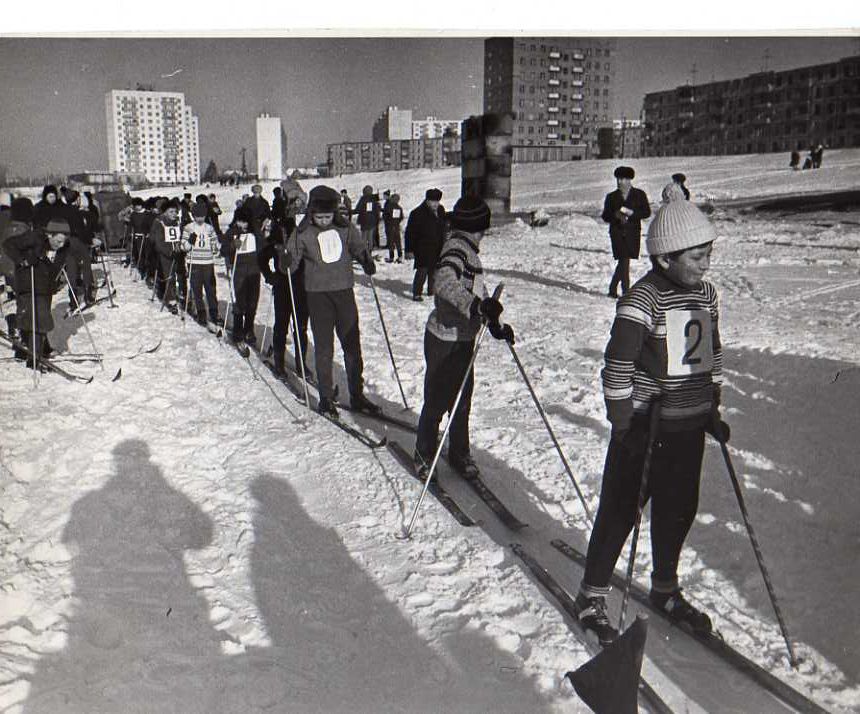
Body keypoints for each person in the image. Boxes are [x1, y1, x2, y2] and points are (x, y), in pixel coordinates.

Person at [575, 188, 726, 646]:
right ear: (664, 259)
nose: (705, 265)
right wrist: (623, 421)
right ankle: (591, 594)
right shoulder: (643, 299)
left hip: (688, 424)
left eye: (708, 254)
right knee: (621, 510)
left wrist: (712, 406)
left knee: (679, 509)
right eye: (696, 257)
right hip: (645, 425)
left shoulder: (706, 295)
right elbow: (617, 365)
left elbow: (710, 353)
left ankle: (665, 587)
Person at [414, 195, 514, 479]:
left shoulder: (469, 252)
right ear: (474, 228)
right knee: (437, 399)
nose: (483, 235)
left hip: (463, 339)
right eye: (482, 229)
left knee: (461, 400)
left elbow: (476, 292)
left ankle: (458, 452)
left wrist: (494, 321)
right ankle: (423, 454)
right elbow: (444, 282)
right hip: (444, 339)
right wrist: (476, 306)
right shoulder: (456, 249)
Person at [278, 185, 379, 417]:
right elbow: (292, 261)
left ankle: (357, 394)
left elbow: (357, 247)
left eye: (328, 216)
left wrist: (365, 259)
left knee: (352, 345)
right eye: (319, 217)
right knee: (324, 348)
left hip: (344, 292)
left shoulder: (345, 228)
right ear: (311, 213)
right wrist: (286, 262)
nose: (324, 221)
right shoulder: (302, 232)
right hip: (318, 296)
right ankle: (325, 397)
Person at [2, 205, 70, 366]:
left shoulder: (63, 247)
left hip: (46, 286)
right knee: (38, 319)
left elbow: (59, 262)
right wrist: (23, 260)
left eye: (64, 241)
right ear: (49, 234)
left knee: (34, 318)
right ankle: (34, 359)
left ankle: (25, 351)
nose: (61, 245)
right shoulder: (34, 237)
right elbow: (8, 244)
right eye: (58, 241)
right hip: (29, 282)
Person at [258, 217, 309, 377]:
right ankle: (279, 363)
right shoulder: (275, 240)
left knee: (301, 328)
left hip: (300, 288)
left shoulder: (301, 239)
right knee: (281, 326)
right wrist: (269, 276)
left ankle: (301, 364)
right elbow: (262, 258)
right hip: (282, 288)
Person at [601, 166, 651, 299]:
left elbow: (646, 212)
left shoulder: (639, 195)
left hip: (632, 233)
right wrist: (615, 215)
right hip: (617, 233)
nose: (619, 182)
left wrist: (632, 213)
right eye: (618, 179)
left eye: (622, 179)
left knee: (624, 261)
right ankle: (626, 292)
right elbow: (605, 216)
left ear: (629, 180)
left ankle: (612, 288)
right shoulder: (611, 197)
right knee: (624, 260)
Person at [221, 206, 263, 347]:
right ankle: (238, 330)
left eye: (245, 222)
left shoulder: (255, 233)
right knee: (239, 301)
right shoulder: (232, 232)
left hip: (254, 272)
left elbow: (263, 247)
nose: (242, 225)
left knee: (252, 302)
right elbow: (223, 251)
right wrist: (232, 245)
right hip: (238, 271)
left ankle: (249, 329)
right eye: (239, 221)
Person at [181, 203, 221, 332]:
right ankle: (201, 312)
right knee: (196, 289)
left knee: (211, 290)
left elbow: (215, 245)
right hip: (194, 263)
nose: (200, 219)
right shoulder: (188, 228)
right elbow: (183, 247)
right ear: (193, 216)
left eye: (202, 216)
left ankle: (214, 313)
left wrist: (216, 248)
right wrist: (189, 241)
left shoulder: (209, 228)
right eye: (197, 216)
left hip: (208, 263)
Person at [405, 188, 446, 301]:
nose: (435, 204)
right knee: (422, 271)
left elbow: (444, 225)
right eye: (433, 201)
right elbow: (410, 233)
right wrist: (409, 250)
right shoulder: (417, 213)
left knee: (434, 270)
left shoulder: (441, 210)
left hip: (437, 246)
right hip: (422, 247)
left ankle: (432, 290)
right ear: (427, 200)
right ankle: (417, 293)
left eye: (437, 201)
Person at [149, 199, 185, 312]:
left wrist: (182, 247)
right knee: (169, 276)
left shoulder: (177, 222)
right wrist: (169, 252)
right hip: (165, 254)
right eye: (171, 212)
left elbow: (181, 236)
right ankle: (171, 299)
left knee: (181, 274)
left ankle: (183, 294)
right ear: (165, 212)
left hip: (178, 252)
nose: (174, 214)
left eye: (175, 212)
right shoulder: (159, 222)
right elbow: (158, 241)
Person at [354, 185, 381, 256]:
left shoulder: (363, 199)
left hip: (364, 220)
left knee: (364, 237)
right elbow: (377, 210)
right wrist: (377, 219)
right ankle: (370, 252)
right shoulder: (374, 199)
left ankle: (364, 252)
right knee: (370, 237)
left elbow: (357, 209)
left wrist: (350, 211)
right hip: (372, 221)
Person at [383, 193, 404, 263]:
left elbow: (385, 216)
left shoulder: (389, 207)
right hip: (396, 226)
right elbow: (401, 217)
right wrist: (397, 222)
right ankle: (400, 256)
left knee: (391, 242)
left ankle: (391, 257)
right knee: (398, 242)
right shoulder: (399, 208)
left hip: (389, 227)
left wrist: (387, 221)